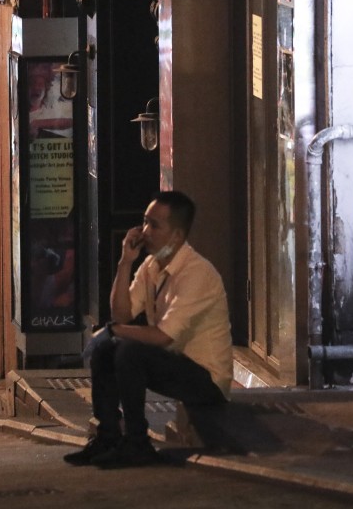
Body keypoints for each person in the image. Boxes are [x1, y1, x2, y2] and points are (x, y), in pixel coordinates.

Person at [64, 191, 233, 468]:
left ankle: (137, 442)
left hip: (207, 380)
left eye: (155, 225)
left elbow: (163, 336)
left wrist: (114, 331)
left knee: (129, 350)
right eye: (144, 222)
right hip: (173, 363)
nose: (145, 231)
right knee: (108, 348)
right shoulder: (151, 266)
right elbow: (122, 313)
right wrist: (125, 261)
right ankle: (108, 436)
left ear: (177, 236)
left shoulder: (197, 273)